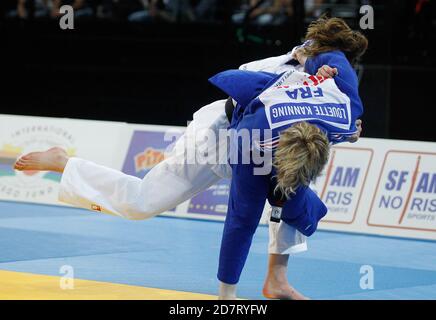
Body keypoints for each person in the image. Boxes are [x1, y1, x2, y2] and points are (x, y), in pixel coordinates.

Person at [14, 16, 367, 300]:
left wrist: (346, 129)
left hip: (264, 136)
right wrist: (226, 297)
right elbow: (241, 218)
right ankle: (64, 162)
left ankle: (276, 280)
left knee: (291, 186)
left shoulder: (332, 84)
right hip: (218, 137)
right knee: (142, 203)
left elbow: (335, 115)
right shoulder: (282, 67)